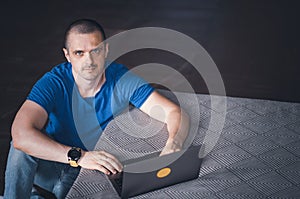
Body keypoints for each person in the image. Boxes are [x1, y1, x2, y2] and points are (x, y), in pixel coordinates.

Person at [4, 19, 190, 199]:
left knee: (66, 190)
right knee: (20, 149)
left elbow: (173, 112)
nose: (89, 61)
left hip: (91, 170)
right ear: (67, 55)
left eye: (96, 50)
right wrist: (78, 156)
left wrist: (175, 142)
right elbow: (20, 134)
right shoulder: (54, 82)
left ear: (106, 50)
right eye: (79, 53)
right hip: (56, 160)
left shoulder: (121, 79)